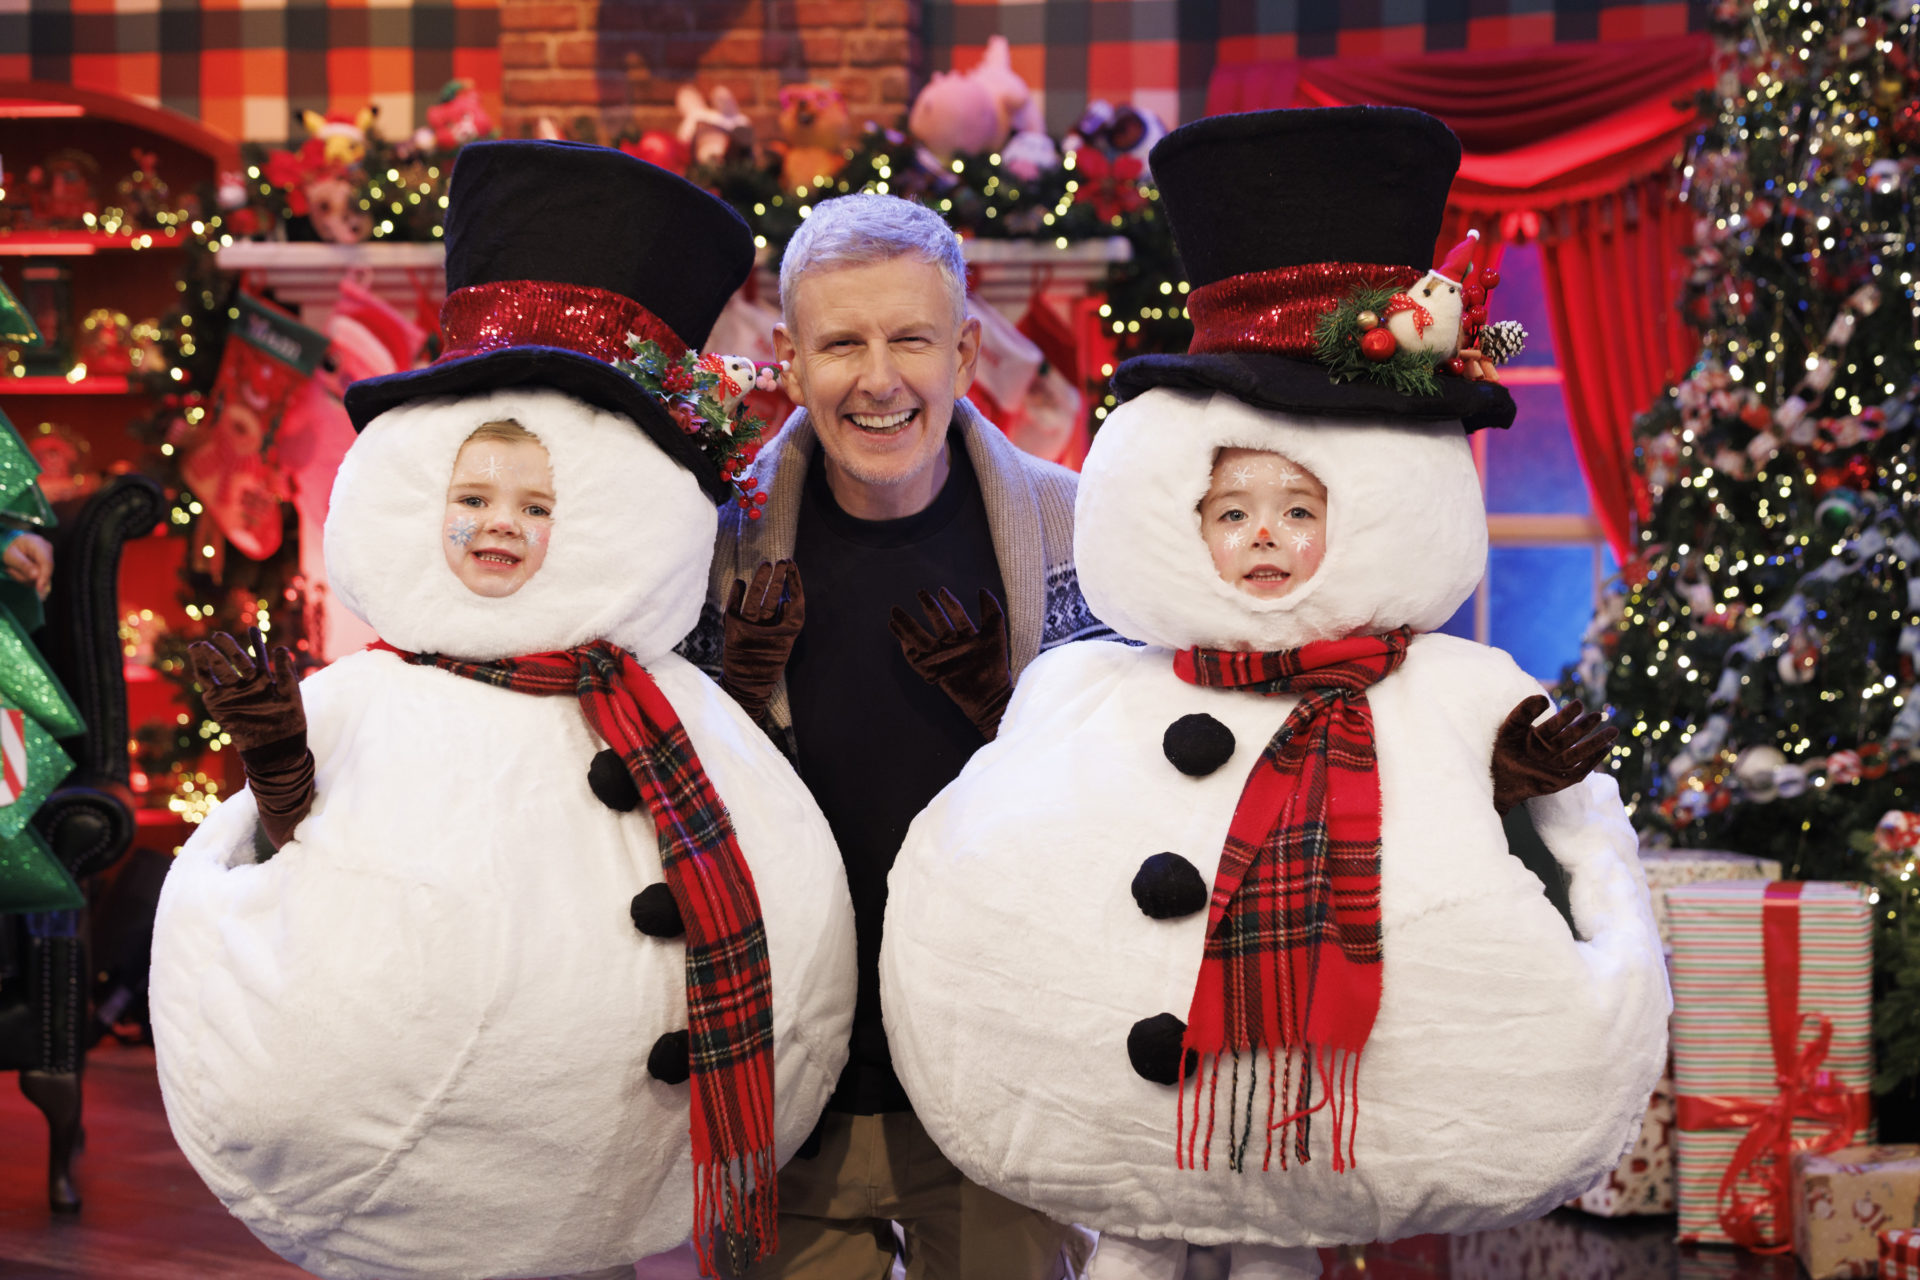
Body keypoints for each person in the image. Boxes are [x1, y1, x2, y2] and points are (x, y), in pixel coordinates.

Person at [151, 139, 856, 1280]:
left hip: (599, 1159)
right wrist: (279, 747)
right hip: (408, 1170)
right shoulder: (374, 690)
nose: (500, 525)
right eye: (472, 495)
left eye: (540, 503)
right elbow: (290, 843)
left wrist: (747, 664)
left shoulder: (659, 704)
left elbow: (734, 823)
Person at [680, 192, 1110, 1279]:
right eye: (843, 343)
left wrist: (1010, 716)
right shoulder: (706, 549)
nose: (879, 378)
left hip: (1006, 1084)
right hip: (785, 1088)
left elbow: (1125, 805)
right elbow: (659, 800)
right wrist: (734, 687)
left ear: (965, 350)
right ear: (787, 357)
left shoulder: (1076, 534)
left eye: (911, 337)